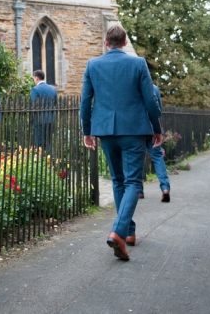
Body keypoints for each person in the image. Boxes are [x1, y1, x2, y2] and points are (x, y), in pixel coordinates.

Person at [80, 24, 162, 261]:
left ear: (106, 43)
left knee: (118, 180)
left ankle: (129, 232)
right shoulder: (138, 63)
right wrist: (157, 129)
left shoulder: (93, 65)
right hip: (134, 131)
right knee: (134, 182)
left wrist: (87, 131)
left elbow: (85, 101)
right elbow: (150, 100)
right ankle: (118, 232)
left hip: (105, 131)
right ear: (125, 43)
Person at [139, 84, 170, 202]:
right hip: (152, 128)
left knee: (138, 158)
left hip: (138, 130)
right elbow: (158, 111)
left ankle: (139, 191)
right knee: (157, 157)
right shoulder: (154, 89)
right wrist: (159, 130)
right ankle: (165, 188)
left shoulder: (133, 87)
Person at [31, 70, 56, 151]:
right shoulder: (53, 89)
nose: (33, 80)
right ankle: (51, 160)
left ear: (37, 78)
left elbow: (34, 106)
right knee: (49, 143)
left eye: (33, 78)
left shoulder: (35, 89)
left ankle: (41, 161)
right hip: (51, 120)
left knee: (39, 144)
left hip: (40, 120)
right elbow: (55, 104)